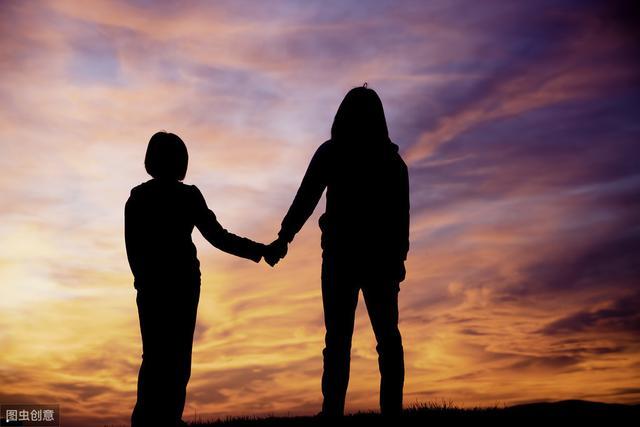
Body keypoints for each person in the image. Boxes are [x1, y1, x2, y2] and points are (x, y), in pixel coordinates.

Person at [266, 85, 410, 416]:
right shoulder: (389, 162)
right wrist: (399, 258)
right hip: (364, 259)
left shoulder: (340, 154)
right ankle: (380, 412)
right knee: (381, 339)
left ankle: (335, 412)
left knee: (345, 340)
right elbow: (400, 218)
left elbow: (306, 199)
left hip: (347, 258)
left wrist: (284, 238)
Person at [125, 132, 268, 427]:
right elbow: (218, 237)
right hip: (178, 284)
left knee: (156, 356)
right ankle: (162, 419)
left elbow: (134, 250)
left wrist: (259, 251)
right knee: (174, 357)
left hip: (161, 286)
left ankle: (153, 420)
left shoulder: (139, 198)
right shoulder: (182, 196)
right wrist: (260, 251)